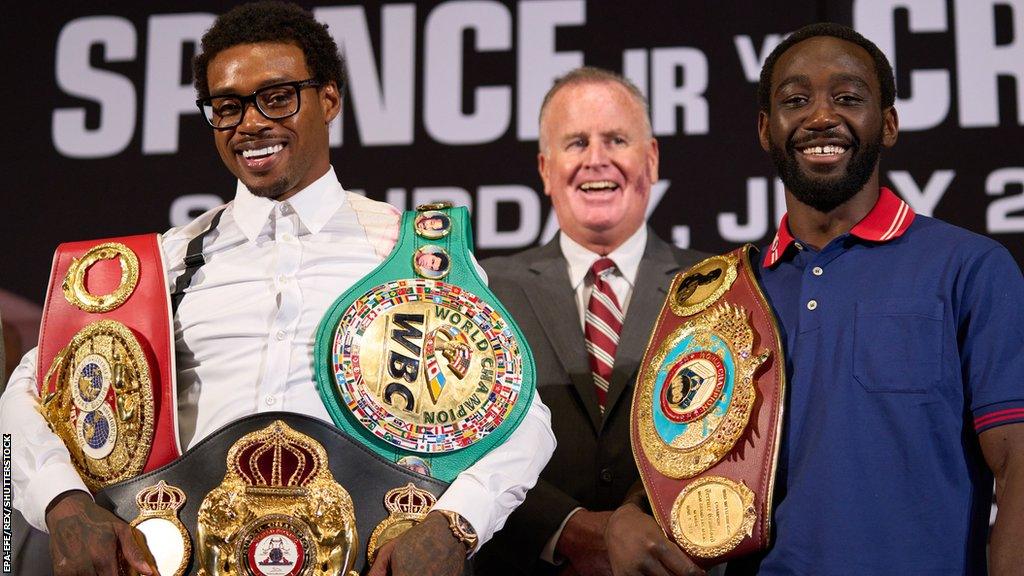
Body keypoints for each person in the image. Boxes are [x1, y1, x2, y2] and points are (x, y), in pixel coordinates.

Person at [0, 3, 555, 575]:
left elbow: (524, 420)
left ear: (329, 100)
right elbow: (28, 393)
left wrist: (455, 523)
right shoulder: (166, 261)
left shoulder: (409, 253)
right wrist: (62, 503)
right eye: (227, 107)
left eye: (278, 97)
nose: (251, 123)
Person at [604, 22, 1024, 576]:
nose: (820, 116)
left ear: (889, 123)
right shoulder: (722, 293)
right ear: (765, 129)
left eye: (848, 98)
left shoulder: (969, 267)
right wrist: (631, 513)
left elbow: (1017, 464)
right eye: (795, 100)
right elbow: (684, 455)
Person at [474, 67, 705, 576]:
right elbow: (462, 445)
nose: (596, 159)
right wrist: (569, 529)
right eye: (576, 142)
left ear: (651, 159)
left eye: (616, 139)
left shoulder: (716, 287)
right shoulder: (484, 291)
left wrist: (639, 527)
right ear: (545, 167)